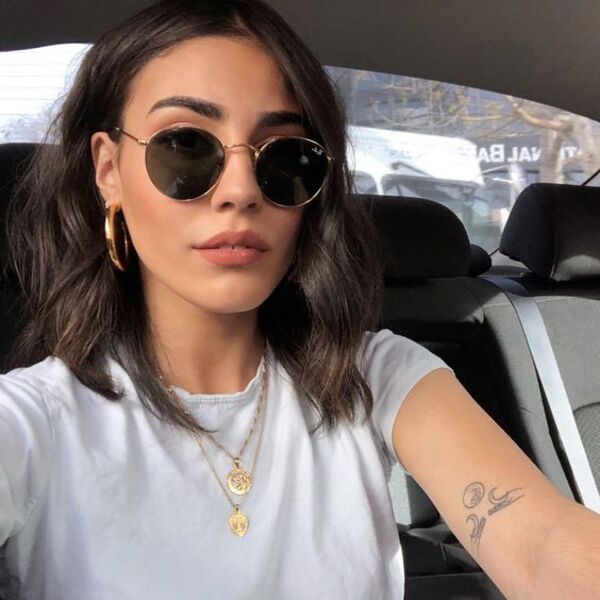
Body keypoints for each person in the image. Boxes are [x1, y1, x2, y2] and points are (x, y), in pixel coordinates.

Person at [1, 1, 600, 598]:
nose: (240, 190)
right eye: (185, 147)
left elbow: (542, 545)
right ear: (108, 169)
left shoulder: (377, 376)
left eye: (286, 156)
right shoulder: (32, 420)